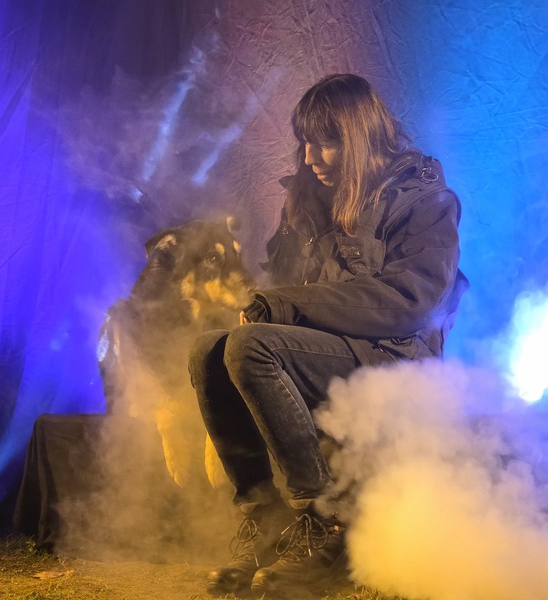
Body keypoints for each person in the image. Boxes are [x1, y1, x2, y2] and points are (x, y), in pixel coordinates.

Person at [188, 73, 467, 597]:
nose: (310, 156)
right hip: (331, 351)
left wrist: (286, 305)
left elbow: (410, 300)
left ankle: (324, 524)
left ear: (358, 138)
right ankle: (264, 518)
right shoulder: (312, 196)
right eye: (305, 142)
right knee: (209, 349)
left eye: (325, 142)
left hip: (397, 357)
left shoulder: (425, 202)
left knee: (251, 347)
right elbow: (282, 283)